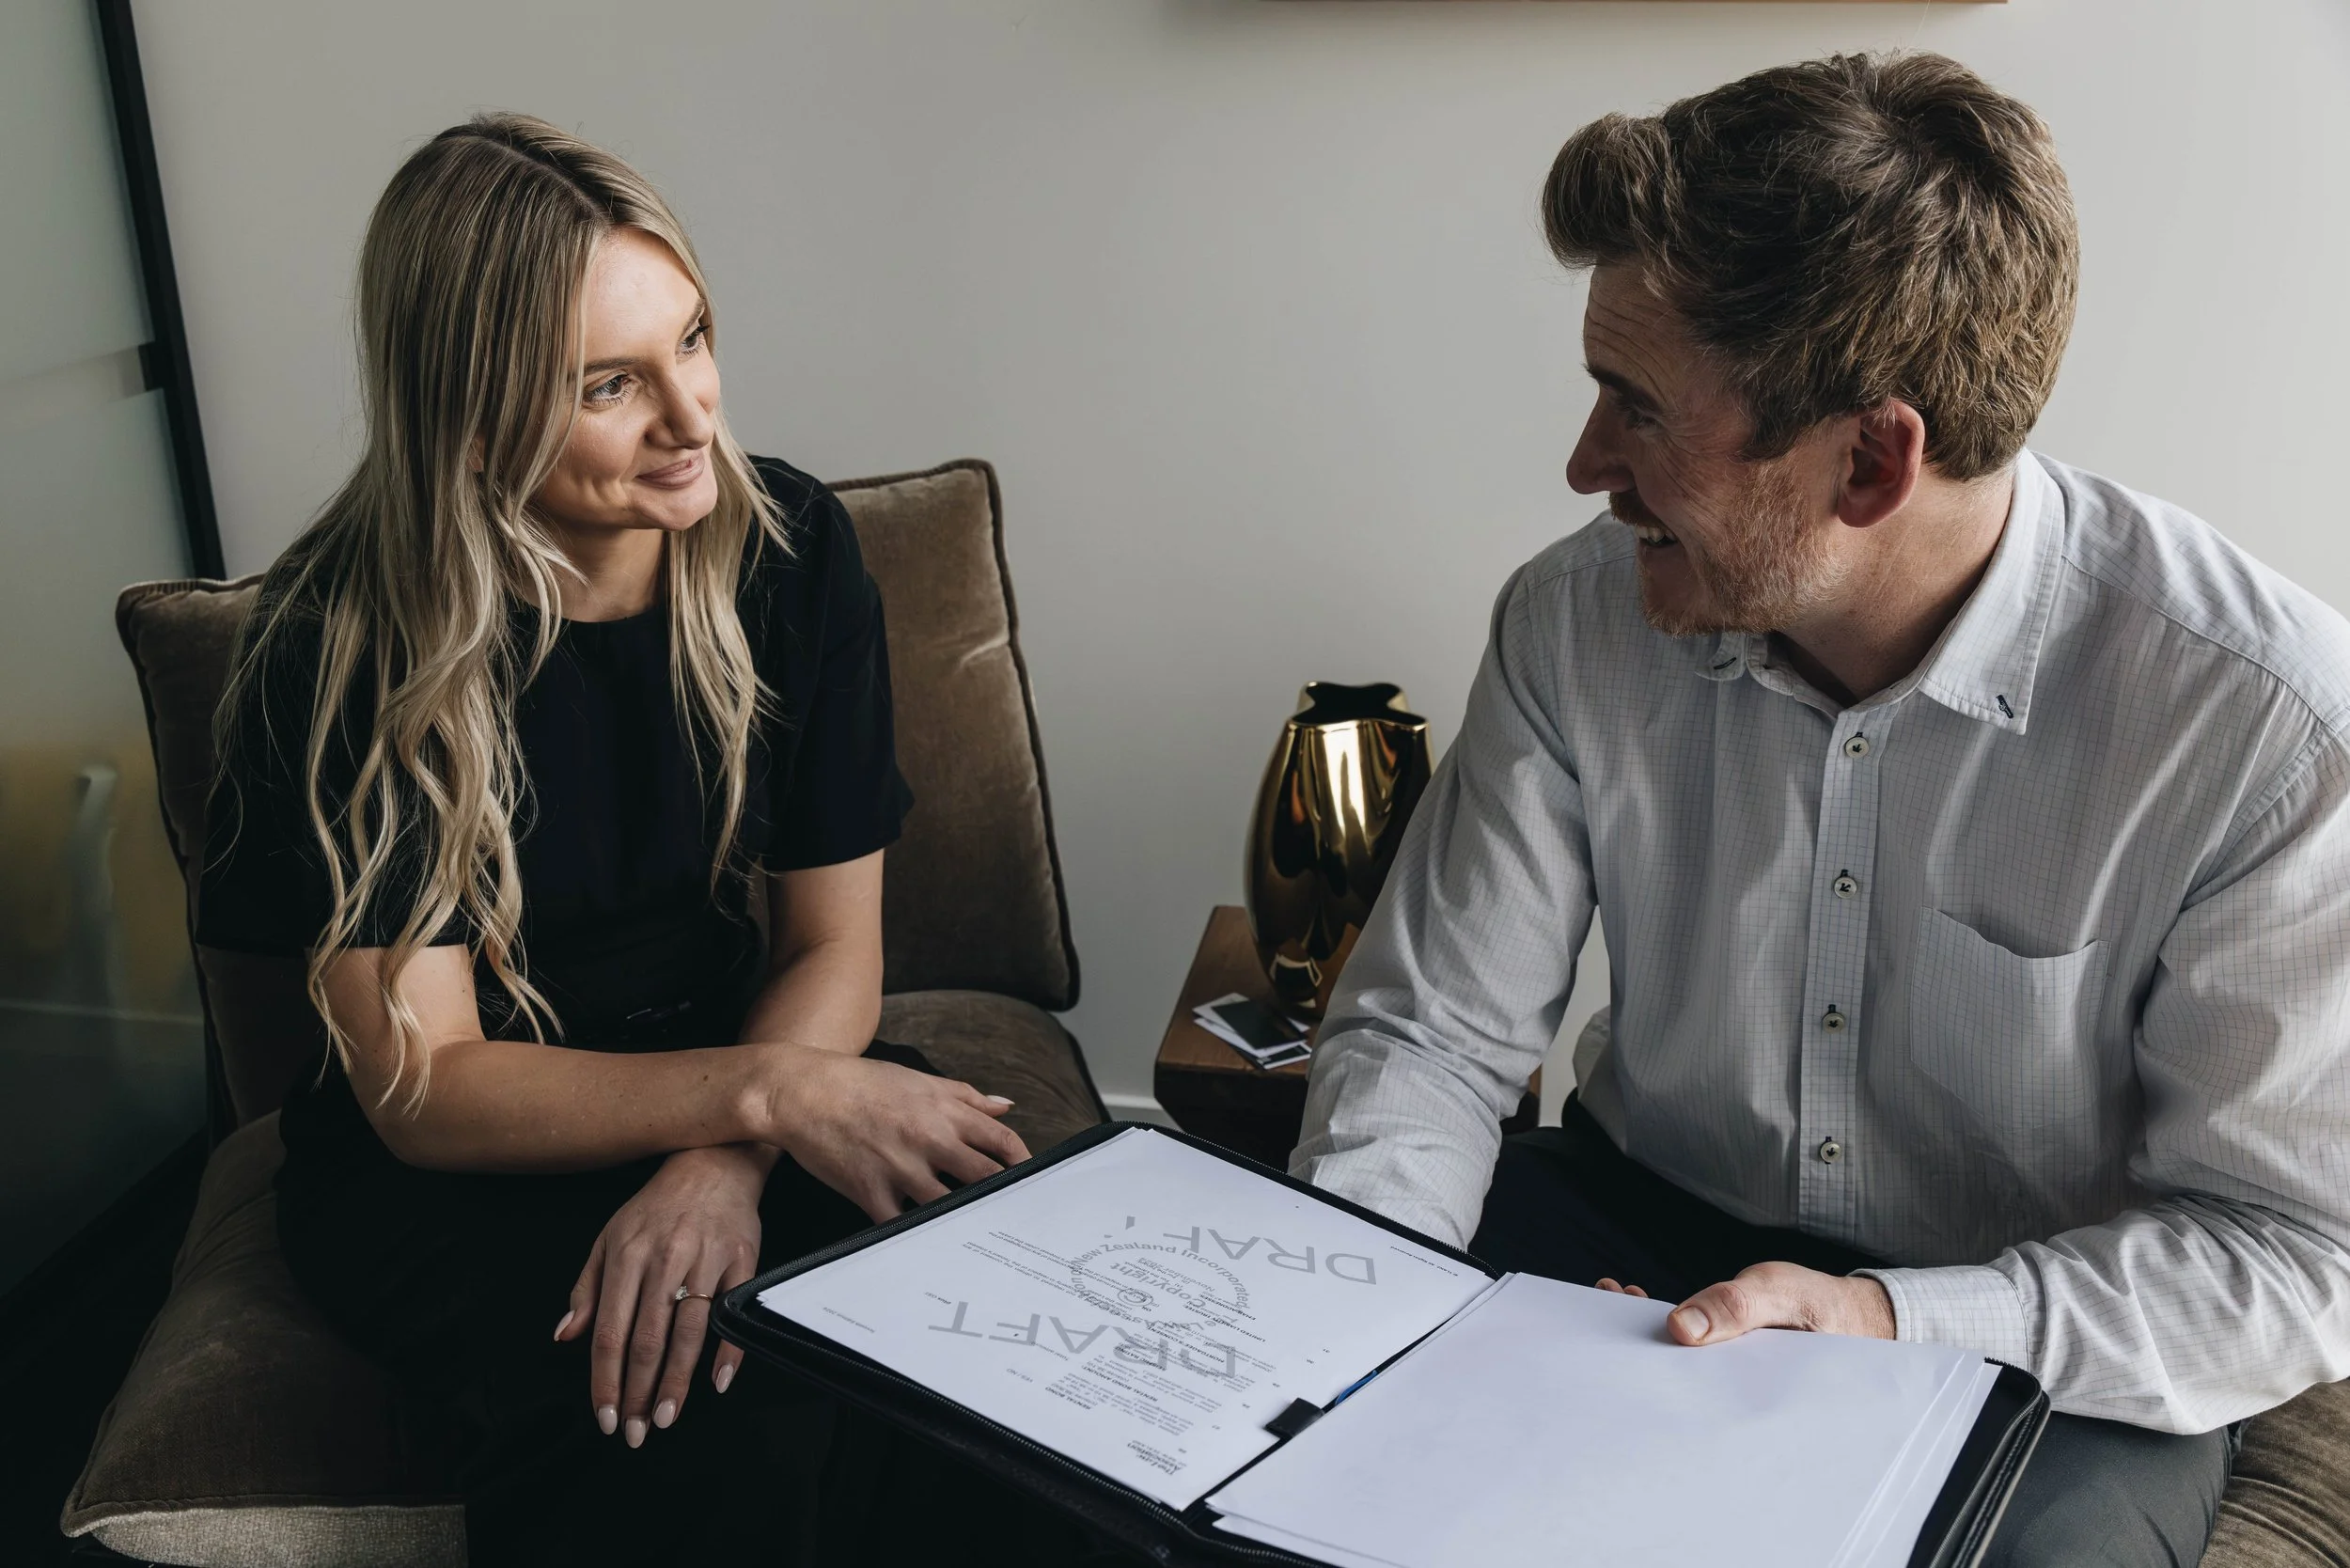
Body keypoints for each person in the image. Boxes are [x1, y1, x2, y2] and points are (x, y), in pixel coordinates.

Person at [1292, 51, 2350, 1568]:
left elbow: (2289, 1248)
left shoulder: (2269, 726)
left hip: (2031, 1323)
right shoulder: (1571, 621)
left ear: (1870, 458)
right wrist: (1359, 1312)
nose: (1586, 465)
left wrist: (1875, 1321)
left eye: (1636, 410)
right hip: (1626, 1220)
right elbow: (1428, 1038)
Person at [197, 114, 1103, 1565]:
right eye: (612, 385)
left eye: (693, 339)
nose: (694, 420)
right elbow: (427, 1088)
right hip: (467, 1156)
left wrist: (730, 1152)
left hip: (754, 1049)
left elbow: (831, 945)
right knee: (695, 1416)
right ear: (476, 417)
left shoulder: (793, 553)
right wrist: (760, 1103)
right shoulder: (343, 642)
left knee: (1020, 1353)